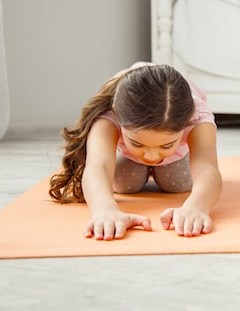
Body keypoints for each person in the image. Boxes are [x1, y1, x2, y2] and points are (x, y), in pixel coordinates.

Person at [49, 62, 222, 240]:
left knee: (178, 183)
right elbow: (97, 165)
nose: (151, 156)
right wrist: (104, 211)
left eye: (166, 145)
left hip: (176, 152)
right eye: (138, 144)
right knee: (123, 182)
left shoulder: (197, 118)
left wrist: (197, 207)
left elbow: (207, 167)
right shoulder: (109, 114)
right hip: (127, 143)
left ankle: (158, 149)